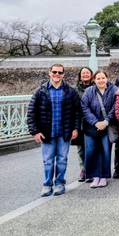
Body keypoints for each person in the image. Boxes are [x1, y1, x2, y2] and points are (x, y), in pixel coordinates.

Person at [27, 64, 81, 197]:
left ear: (63, 74)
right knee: (48, 160)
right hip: (47, 132)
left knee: (62, 159)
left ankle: (59, 183)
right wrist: (35, 131)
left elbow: (77, 112)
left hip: (64, 132)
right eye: (54, 72)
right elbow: (31, 112)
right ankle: (47, 185)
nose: (57, 74)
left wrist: (75, 128)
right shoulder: (40, 91)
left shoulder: (70, 91)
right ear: (49, 73)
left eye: (60, 72)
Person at [81, 70, 117, 188]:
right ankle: (94, 176)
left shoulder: (114, 90)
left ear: (106, 78)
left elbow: (116, 107)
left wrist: (106, 121)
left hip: (107, 126)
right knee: (91, 151)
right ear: (94, 80)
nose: (101, 80)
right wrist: (95, 122)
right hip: (91, 127)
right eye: (98, 78)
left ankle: (103, 176)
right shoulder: (88, 91)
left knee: (105, 151)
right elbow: (85, 108)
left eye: (103, 78)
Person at [73, 67, 94, 182]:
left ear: (91, 75)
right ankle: (83, 169)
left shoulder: (95, 87)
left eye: (87, 73)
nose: (85, 75)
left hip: (92, 121)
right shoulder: (75, 89)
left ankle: (91, 170)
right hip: (79, 121)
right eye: (83, 73)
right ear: (80, 76)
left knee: (91, 148)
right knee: (81, 148)